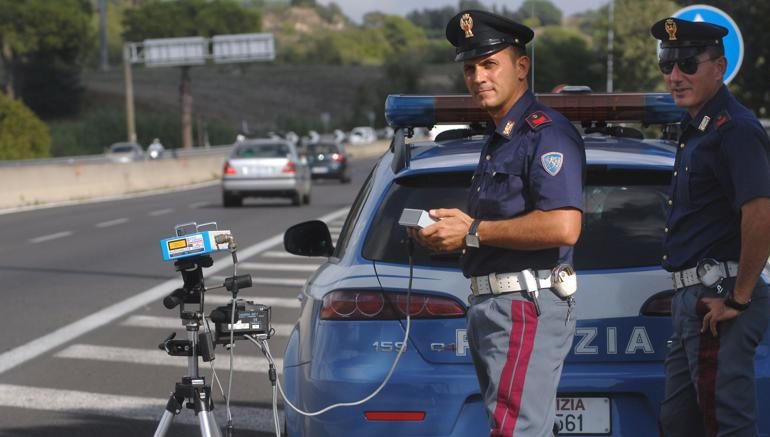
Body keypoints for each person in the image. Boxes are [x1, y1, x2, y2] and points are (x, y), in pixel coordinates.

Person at [409, 10, 585, 437]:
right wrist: (448, 232)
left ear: (521, 66)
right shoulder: (502, 137)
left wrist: (471, 230)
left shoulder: (546, 134)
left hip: (526, 303)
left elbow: (564, 226)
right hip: (495, 305)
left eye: (490, 64)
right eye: (470, 68)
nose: (478, 77)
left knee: (515, 431)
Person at [651, 17, 770, 437]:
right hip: (697, 299)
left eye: (687, 63)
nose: (675, 76)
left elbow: (760, 215)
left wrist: (738, 299)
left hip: (721, 297)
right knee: (679, 422)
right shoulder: (698, 130)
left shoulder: (734, 130)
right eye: (667, 64)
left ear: (718, 68)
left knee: (725, 422)